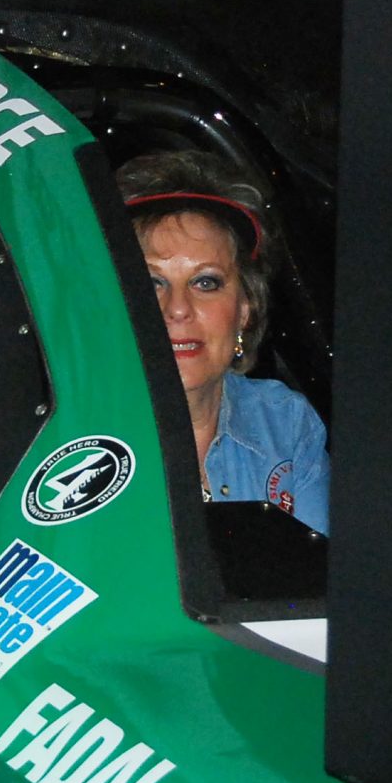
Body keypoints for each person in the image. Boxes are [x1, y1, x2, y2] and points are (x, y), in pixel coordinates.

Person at [117, 151, 330, 534]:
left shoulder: (285, 424)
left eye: (206, 282)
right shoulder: (62, 437)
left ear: (245, 309)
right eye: (151, 283)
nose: (177, 309)